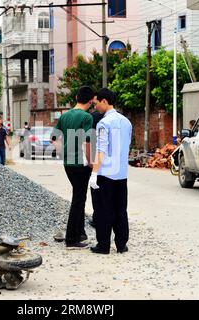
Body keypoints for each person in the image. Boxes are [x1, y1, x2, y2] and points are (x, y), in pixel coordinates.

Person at [89, 88, 132, 255]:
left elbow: (100, 150)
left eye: (97, 103)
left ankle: (103, 245)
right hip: (121, 174)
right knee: (121, 209)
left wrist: (94, 173)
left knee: (103, 210)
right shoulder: (126, 122)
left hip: (105, 174)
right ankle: (121, 245)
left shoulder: (103, 123)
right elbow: (126, 146)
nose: (95, 107)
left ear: (104, 101)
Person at [53, 86, 94, 249]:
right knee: (78, 199)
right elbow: (87, 141)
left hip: (68, 163)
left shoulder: (65, 116)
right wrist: (91, 162)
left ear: (77, 97)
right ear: (91, 101)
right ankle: (71, 239)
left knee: (80, 196)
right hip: (81, 163)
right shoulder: (87, 117)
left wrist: (62, 153)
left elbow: (54, 138)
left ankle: (80, 232)